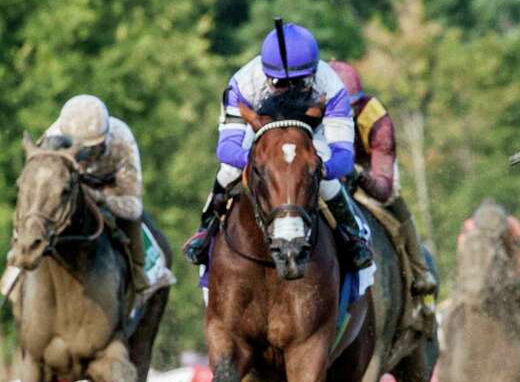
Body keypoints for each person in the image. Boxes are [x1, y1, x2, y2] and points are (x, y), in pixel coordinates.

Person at [182, 22, 372, 269]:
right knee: (228, 171)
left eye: (299, 82)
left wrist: (317, 168)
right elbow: (227, 149)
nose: (289, 89)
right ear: (265, 74)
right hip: (261, 136)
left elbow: (344, 156)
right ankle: (205, 228)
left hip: (311, 134)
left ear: (314, 73)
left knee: (326, 178)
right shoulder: (243, 84)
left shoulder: (331, 86)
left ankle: (353, 232)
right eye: (280, 84)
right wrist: (264, 163)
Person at [12, 95, 151, 294]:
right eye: (79, 148)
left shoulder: (122, 141)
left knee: (134, 220)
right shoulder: (53, 135)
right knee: (33, 204)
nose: (82, 154)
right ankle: (16, 256)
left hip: (107, 188)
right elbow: (37, 183)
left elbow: (132, 206)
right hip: (66, 188)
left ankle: (139, 272)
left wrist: (101, 197)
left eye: (89, 149)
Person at [327, 60, 437, 295]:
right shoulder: (312, 109)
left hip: (367, 167)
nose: (342, 116)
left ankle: (420, 271)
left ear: (358, 104)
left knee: (394, 203)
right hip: (330, 165)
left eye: (349, 110)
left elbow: (384, 190)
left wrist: (359, 174)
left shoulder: (377, 122)